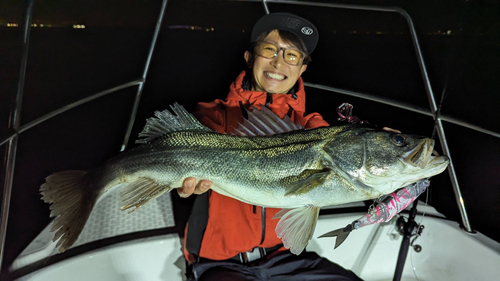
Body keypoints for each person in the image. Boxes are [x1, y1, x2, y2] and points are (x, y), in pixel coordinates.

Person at [178, 13, 363, 281]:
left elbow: (339, 144)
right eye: (269, 49)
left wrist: (383, 140)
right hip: (220, 265)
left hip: (286, 259)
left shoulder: (310, 125)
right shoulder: (215, 116)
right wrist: (180, 178)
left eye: (292, 56)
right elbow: (188, 141)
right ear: (249, 57)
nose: (278, 62)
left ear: (302, 69)